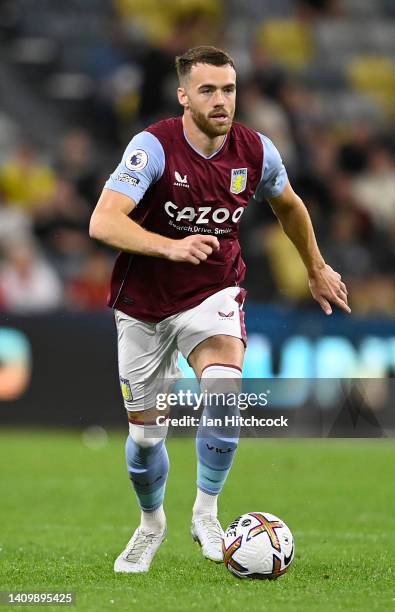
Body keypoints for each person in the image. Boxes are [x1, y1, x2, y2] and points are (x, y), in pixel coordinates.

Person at [89, 45, 350, 574]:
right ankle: (151, 524)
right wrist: (170, 246)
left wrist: (316, 267)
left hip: (214, 289)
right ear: (184, 95)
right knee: (144, 441)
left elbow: (290, 205)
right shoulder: (153, 147)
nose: (220, 100)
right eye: (207, 89)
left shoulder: (257, 152)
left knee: (224, 390)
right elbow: (103, 222)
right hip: (145, 302)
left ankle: (207, 512)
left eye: (228, 89)